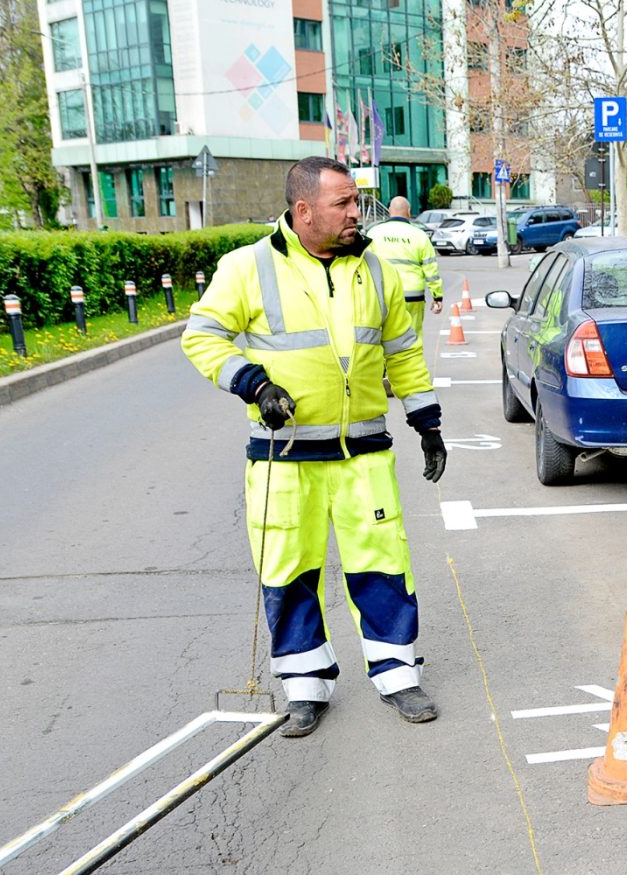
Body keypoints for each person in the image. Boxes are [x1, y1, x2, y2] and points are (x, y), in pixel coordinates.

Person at [182, 156, 448, 737]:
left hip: (363, 454)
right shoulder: (247, 267)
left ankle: (398, 675)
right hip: (285, 458)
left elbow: (401, 351)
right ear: (304, 211)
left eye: (356, 202)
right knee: (289, 572)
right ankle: (304, 688)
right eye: (344, 204)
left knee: (382, 566)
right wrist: (253, 383)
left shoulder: (375, 269)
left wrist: (426, 421)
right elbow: (201, 336)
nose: (357, 213)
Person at [370, 195, 443, 333]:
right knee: (413, 337)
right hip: (413, 296)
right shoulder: (420, 235)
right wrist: (437, 296)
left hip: (383, 295)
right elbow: (431, 270)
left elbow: (365, 265)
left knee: (384, 337)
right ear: (409, 211)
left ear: (390, 211)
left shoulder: (374, 233)